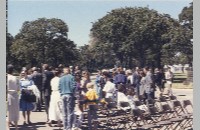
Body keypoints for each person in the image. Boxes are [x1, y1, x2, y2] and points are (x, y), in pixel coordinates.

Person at [7, 64, 20, 130]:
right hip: (15, 95)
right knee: (15, 111)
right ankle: (16, 127)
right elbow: (18, 89)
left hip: (9, 95)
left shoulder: (6, 77)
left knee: (9, 111)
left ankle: (8, 127)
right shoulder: (16, 78)